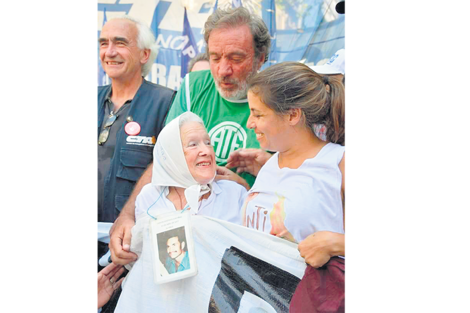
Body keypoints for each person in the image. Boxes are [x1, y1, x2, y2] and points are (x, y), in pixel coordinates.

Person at [109, 6, 271, 266]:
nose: (223, 70)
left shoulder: (279, 101)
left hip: (242, 251)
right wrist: (127, 216)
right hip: (182, 243)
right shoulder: (194, 86)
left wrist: (259, 178)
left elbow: (299, 197)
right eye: (215, 57)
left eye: (236, 58)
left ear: (260, 58)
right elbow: (162, 162)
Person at [114, 111, 247, 310]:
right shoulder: (149, 197)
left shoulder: (235, 194)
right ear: (172, 153)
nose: (206, 151)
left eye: (208, 142)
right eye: (193, 144)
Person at [96, 14, 176, 312]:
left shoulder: (166, 102)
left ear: (144, 54)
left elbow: (169, 175)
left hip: (131, 254)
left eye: (120, 43)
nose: (109, 51)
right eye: (103, 43)